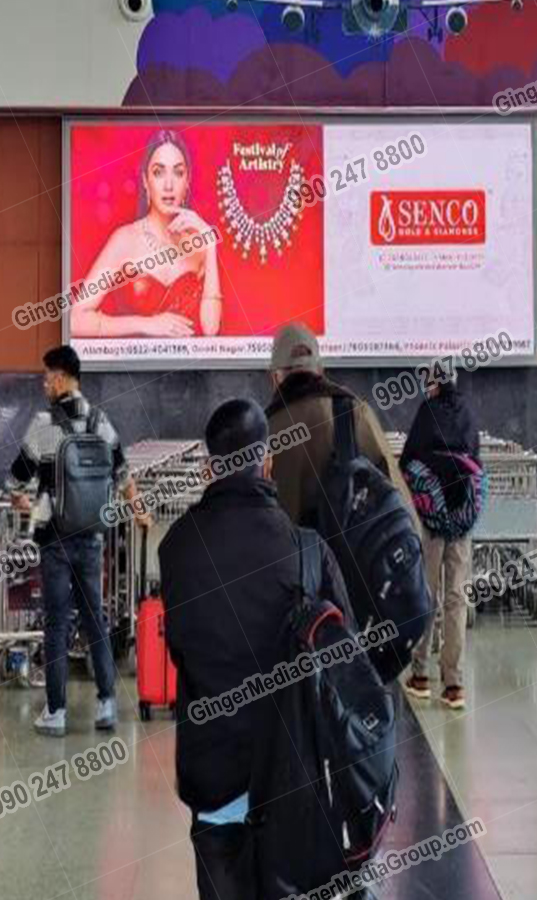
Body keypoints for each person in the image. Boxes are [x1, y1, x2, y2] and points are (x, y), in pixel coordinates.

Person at [159, 398, 361, 900]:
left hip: (213, 776)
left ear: (209, 468)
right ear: (267, 461)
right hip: (293, 782)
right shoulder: (307, 550)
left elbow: (181, 648)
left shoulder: (177, 548)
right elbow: (348, 663)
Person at [5, 345, 147, 736]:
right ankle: (105, 706)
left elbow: (16, 480)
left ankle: (57, 712)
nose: (44, 383)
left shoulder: (44, 424)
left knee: (56, 624)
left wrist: (27, 501)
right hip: (92, 538)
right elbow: (123, 475)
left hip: (54, 540)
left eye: (48, 376)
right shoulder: (102, 422)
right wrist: (139, 511)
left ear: (64, 377)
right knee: (95, 619)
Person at [70, 128, 222, 338]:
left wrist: (210, 243)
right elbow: (74, 320)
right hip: (132, 369)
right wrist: (146, 324)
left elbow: (211, 329)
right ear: (145, 181)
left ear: (187, 182)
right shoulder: (124, 240)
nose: (168, 185)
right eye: (158, 172)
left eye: (178, 173)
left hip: (188, 369)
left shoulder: (199, 245)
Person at [264, 322, 415, 528]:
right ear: (320, 369)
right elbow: (399, 503)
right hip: (351, 556)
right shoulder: (354, 412)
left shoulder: (262, 432)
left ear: (274, 377)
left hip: (288, 557)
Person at [400, 364, 480, 710]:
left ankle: (420, 675)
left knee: (426, 595)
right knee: (456, 598)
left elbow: (407, 461)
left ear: (433, 384)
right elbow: (476, 459)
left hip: (432, 521)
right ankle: (454, 684)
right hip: (462, 521)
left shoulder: (426, 413)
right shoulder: (466, 413)